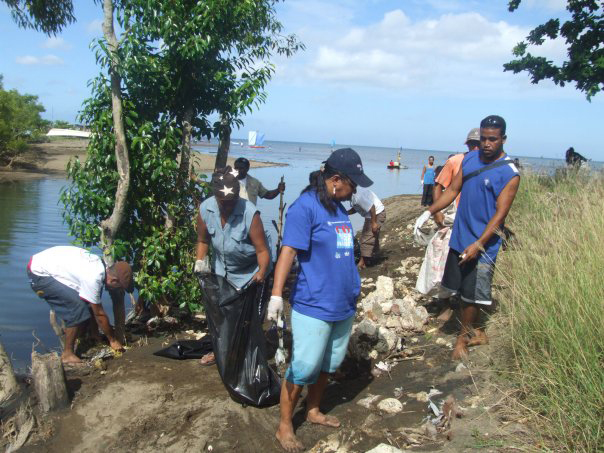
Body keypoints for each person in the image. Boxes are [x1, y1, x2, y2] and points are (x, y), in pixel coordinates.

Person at [267, 148, 372, 452]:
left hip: (343, 304)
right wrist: (276, 295)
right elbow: (288, 251)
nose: (356, 190)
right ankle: (285, 425)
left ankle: (313, 410)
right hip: (314, 304)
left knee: (328, 363)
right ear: (336, 179)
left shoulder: (338, 208)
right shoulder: (305, 207)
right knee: (304, 365)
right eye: (354, 183)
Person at [414, 115, 520, 360]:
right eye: (483, 138)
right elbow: (452, 190)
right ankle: (479, 331)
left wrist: (479, 244)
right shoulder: (470, 158)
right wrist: (429, 212)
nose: (486, 144)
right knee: (460, 290)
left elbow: (500, 215)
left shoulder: (509, 173)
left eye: (492, 139)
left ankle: (462, 340)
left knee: (472, 293)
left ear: (503, 139)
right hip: (460, 236)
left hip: (483, 244)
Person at [194, 166, 271, 366]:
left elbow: (263, 251)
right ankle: (221, 352)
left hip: (250, 274)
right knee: (222, 316)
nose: (228, 207)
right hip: (222, 273)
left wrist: (262, 272)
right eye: (223, 203)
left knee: (249, 319)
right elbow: (203, 240)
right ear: (215, 197)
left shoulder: (250, 214)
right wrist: (200, 262)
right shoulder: (206, 209)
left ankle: (248, 356)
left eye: (232, 202)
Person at [27, 246, 133, 364]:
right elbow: (99, 314)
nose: (116, 291)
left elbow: (92, 304)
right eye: (118, 288)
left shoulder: (100, 267)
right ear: (113, 281)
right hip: (39, 273)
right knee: (76, 310)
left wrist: (95, 333)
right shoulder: (94, 277)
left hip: (45, 264)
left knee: (84, 306)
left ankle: (90, 336)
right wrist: (113, 340)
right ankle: (67, 354)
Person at [347, 187, 386, 269]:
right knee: (372, 236)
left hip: (376, 214)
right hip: (370, 215)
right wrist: (346, 213)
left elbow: (372, 207)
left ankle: (362, 263)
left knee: (366, 239)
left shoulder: (357, 197)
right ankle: (373, 256)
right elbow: (356, 208)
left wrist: (374, 223)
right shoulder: (353, 196)